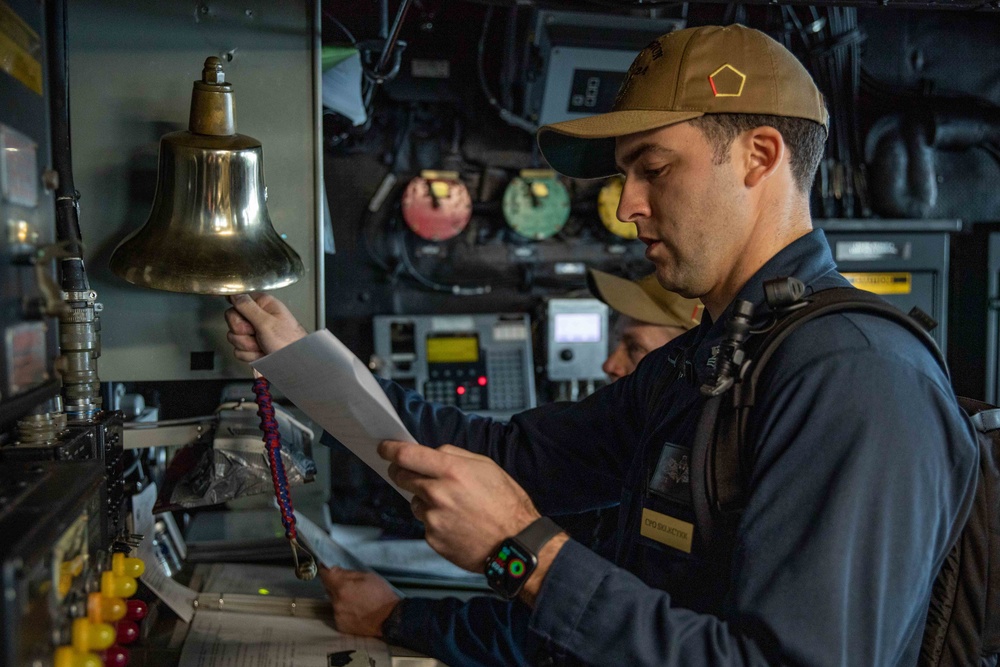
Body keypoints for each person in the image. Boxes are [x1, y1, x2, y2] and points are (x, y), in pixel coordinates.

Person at [226, 24, 978, 666]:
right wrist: (303, 363)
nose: (628, 206)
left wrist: (519, 553)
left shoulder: (853, 376)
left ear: (759, 155)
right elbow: (506, 457)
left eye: (652, 168)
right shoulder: (704, 363)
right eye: (626, 176)